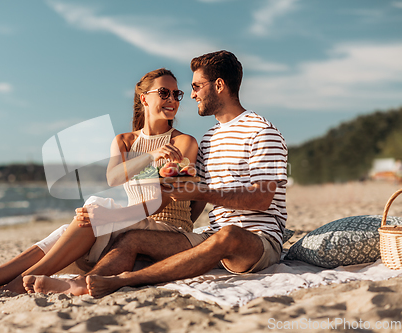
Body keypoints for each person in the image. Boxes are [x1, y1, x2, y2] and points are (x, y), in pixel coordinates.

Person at [31, 50, 288, 297]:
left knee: (228, 235)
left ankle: (124, 280)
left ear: (219, 85)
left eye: (196, 87)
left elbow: (261, 198)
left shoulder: (261, 131)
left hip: (258, 241)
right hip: (210, 235)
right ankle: (83, 283)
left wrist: (200, 191)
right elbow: (196, 201)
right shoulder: (209, 138)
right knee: (133, 239)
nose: (191, 95)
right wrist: (183, 197)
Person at [0, 68, 198, 296]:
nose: (172, 100)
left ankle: (17, 283)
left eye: (177, 94)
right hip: (133, 221)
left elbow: (165, 199)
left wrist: (110, 217)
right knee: (72, 227)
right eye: (164, 92)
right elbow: (113, 177)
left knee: (91, 217)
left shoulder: (183, 143)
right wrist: (150, 156)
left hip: (168, 228)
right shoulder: (125, 141)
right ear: (144, 98)